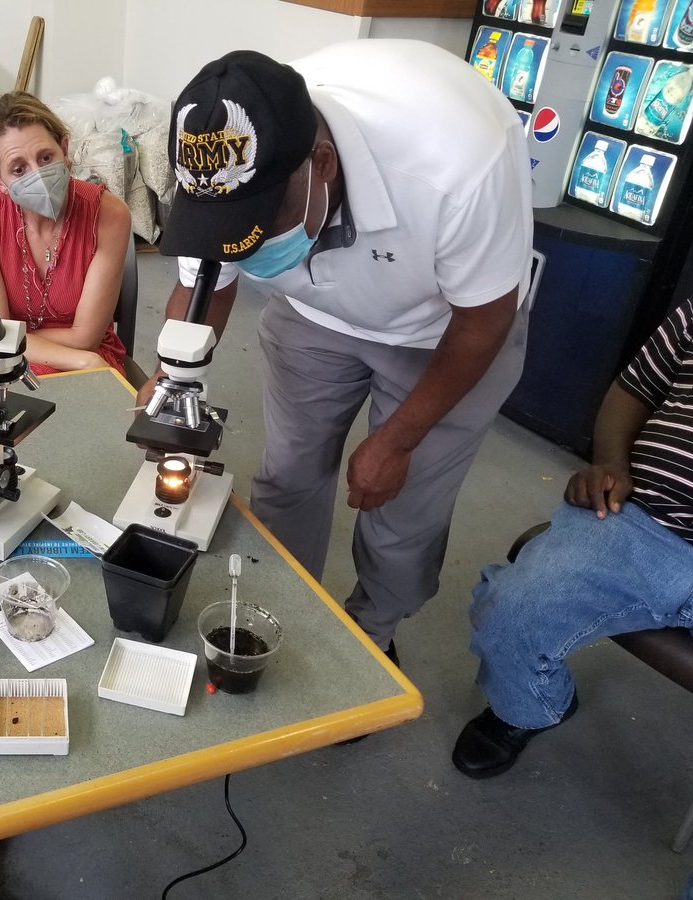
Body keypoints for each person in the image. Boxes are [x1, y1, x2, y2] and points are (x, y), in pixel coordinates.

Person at [148, 43, 533, 659]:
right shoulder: (226, 149)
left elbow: (484, 322)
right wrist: (172, 378)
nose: (243, 252)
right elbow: (204, 284)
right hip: (311, 315)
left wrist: (400, 438)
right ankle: (279, 606)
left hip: (442, 334)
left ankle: (372, 634)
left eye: (258, 233)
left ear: (321, 163)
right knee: (291, 472)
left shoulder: (456, 164)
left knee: (400, 506)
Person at [452, 298, 693, 778]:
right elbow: (636, 388)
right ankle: (534, 706)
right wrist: (610, 462)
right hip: (643, 517)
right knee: (509, 611)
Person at [0, 91, 132, 377]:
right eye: (19, 169)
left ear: (65, 150)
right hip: (0, 358)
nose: (38, 175)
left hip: (81, 354)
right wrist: (85, 362)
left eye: (46, 157)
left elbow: (85, 338)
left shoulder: (110, 215)